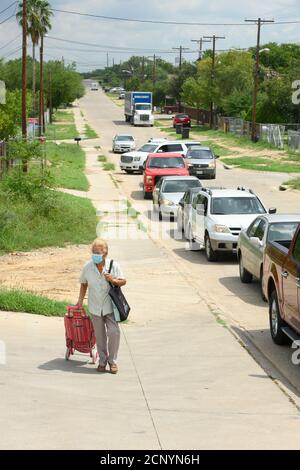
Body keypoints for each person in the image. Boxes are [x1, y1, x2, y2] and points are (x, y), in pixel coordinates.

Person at [77, 238, 126, 374]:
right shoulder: (88, 267)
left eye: (99, 252)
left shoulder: (113, 265)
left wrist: (113, 280)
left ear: (105, 253)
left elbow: (123, 281)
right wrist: (80, 301)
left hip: (110, 306)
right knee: (100, 336)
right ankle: (103, 361)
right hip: (94, 306)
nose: (96, 255)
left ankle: (112, 361)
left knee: (113, 332)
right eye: (94, 252)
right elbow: (84, 283)